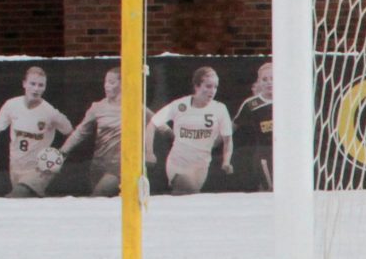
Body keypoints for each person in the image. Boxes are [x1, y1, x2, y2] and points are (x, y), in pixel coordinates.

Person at [0, 65, 72, 197]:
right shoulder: (11, 105)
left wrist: (59, 156)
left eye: (41, 85)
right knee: (25, 205)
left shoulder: (50, 113)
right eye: (33, 84)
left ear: (45, 87)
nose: (36, 88)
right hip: (16, 166)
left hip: (39, 170)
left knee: (16, 196)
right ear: (24, 84)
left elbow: (72, 134)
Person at [53, 67, 139, 198]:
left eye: (111, 82)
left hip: (120, 165)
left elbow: (157, 124)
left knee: (97, 196)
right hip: (98, 164)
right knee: (101, 205)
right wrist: (63, 151)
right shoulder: (97, 107)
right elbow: (81, 131)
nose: (106, 86)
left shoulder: (134, 106)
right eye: (105, 82)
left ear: (123, 84)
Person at [148, 64, 234, 195]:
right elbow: (152, 124)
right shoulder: (180, 105)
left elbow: (228, 139)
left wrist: (226, 161)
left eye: (215, 87)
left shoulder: (220, 109)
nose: (212, 91)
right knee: (187, 188)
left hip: (201, 166)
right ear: (197, 86)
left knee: (189, 196)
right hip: (177, 163)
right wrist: (149, 152)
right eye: (208, 86)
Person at [222, 60, 274, 192]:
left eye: (273, 78)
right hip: (265, 152)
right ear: (259, 82)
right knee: (271, 189)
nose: (269, 82)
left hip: (288, 152)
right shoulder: (252, 104)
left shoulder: (290, 99)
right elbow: (233, 126)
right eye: (264, 79)